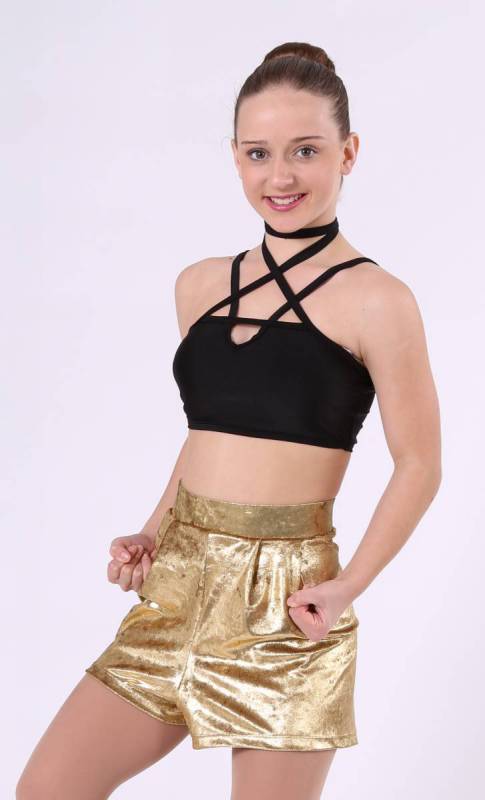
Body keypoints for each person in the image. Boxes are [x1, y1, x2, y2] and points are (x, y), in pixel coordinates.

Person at [16, 41, 442, 800]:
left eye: (306, 151)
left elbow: (420, 464)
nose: (280, 177)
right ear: (236, 158)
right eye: (258, 153)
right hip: (179, 583)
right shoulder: (201, 286)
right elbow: (209, 434)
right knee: (48, 789)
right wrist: (153, 531)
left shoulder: (378, 300)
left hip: (288, 604)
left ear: (347, 153)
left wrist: (347, 587)